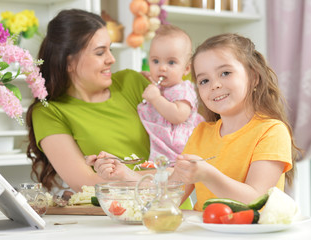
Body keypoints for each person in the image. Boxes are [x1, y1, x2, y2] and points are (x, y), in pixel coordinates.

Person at [168, 33, 300, 211]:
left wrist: (207, 175)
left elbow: (256, 198)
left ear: (254, 77)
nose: (214, 85)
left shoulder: (272, 131)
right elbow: (167, 203)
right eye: (204, 80)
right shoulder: (200, 133)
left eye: (225, 73)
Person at [26, 9, 152, 194]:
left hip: (168, 204)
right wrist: (166, 177)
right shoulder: (49, 112)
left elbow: (183, 134)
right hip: (109, 216)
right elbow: (87, 184)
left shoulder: (132, 82)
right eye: (100, 53)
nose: (111, 59)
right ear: (69, 63)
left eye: (110, 49)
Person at [137, 24, 204, 164]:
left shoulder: (183, 89)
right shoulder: (161, 85)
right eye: (155, 61)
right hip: (161, 146)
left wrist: (156, 98)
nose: (161, 68)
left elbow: (178, 115)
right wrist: (148, 77)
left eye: (171, 62)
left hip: (179, 147)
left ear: (186, 69)